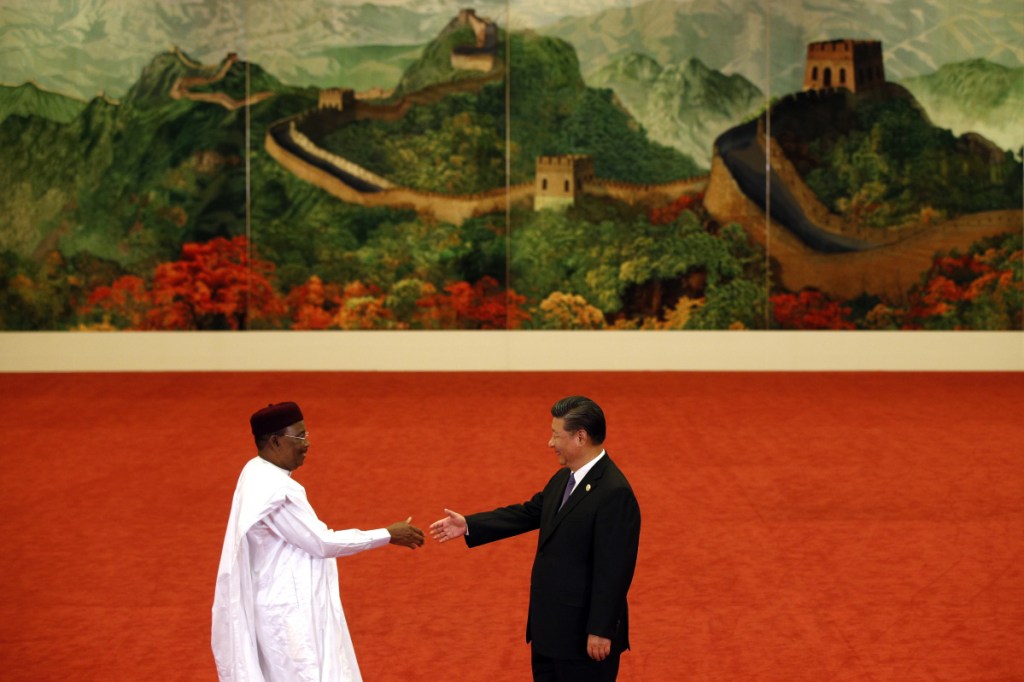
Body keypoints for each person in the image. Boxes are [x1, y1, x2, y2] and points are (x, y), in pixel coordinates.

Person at [430, 396, 641, 682]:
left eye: (556, 435)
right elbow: (528, 513)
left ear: (581, 437)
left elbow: (614, 571)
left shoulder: (615, 493)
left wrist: (601, 630)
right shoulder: (564, 479)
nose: (550, 443)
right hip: (550, 634)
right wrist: (469, 525)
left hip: (584, 643)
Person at [212, 401, 424, 681]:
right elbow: (322, 543)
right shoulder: (276, 490)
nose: (307, 444)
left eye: (306, 435)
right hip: (290, 614)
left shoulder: (255, 472)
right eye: (299, 437)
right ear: (275, 441)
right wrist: (387, 534)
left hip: (287, 604)